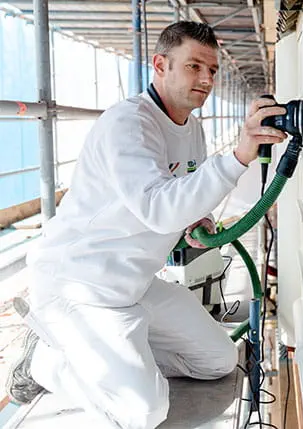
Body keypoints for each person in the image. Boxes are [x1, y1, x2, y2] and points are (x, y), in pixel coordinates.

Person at [5, 22, 287, 428]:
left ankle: (111, 360)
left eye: (212, 70)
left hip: (135, 284)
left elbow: (185, 192)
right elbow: (157, 208)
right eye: (194, 66)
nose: (206, 79)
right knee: (142, 412)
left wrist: (199, 218)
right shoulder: (129, 124)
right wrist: (240, 156)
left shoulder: (192, 128)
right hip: (80, 287)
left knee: (217, 361)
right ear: (160, 65)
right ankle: (45, 362)